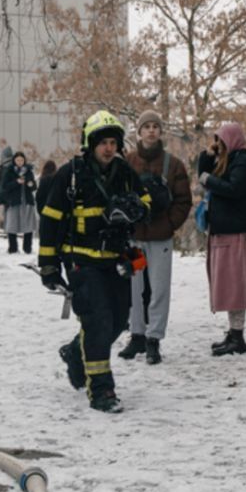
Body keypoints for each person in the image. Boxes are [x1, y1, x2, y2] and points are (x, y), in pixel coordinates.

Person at [39, 110, 150, 413]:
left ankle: (76, 353)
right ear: (90, 144)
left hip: (116, 260)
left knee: (119, 320)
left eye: (113, 142)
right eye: (103, 143)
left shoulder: (125, 172)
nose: (109, 148)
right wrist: (48, 265)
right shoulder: (70, 175)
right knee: (97, 321)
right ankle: (102, 391)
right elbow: (50, 220)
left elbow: (147, 201)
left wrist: (135, 207)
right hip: (82, 263)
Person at [116, 110, 193, 365]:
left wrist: (169, 223)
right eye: (146, 126)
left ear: (161, 131)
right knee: (133, 287)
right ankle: (136, 334)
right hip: (135, 237)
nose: (151, 130)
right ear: (138, 131)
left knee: (159, 288)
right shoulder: (127, 162)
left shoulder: (174, 165)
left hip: (160, 238)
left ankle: (154, 339)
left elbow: (183, 200)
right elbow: (117, 196)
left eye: (155, 126)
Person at [199, 123, 246, 356]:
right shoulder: (231, 161)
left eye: (221, 141)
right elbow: (202, 176)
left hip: (236, 231)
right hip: (226, 229)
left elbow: (234, 188)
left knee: (234, 284)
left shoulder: (243, 164)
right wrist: (207, 156)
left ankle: (238, 336)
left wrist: (209, 180)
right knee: (226, 283)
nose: (219, 146)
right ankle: (233, 333)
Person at [0, 151, 38, 254]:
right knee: (12, 224)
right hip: (13, 202)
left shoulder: (29, 171)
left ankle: (27, 248)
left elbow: (34, 186)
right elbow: (5, 186)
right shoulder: (9, 171)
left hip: (27, 202)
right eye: (17, 160)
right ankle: (13, 248)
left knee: (28, 225)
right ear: (14, 161)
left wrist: (30, 184)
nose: (20, 162)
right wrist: (16, 182)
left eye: (21, 160)